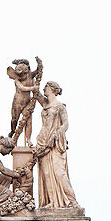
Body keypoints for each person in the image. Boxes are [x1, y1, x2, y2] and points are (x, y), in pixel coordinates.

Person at [32, 81, 79, 209]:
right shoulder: (45, 104)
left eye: (45, 87)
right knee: (46, 174)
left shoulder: (60, 107)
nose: (43, 89)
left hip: (54, 143)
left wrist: (57, 133)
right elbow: (35, 92)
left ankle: (73, 202)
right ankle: (52, 202)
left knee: (59, 173)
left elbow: (66, 124)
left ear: (52, 89)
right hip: (42, 142)